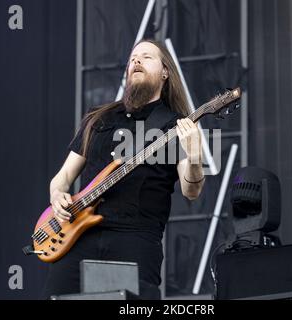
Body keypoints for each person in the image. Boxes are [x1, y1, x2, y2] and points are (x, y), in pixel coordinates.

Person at [42, 39, 205, 299]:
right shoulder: (99, 117)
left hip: (135, 239)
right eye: (133, 58)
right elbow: (61, 179)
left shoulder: (175, 126)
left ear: (165, 72)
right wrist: (57, 195)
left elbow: (191, 190)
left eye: (146, 57)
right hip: (80, 234)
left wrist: (195, 157)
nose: (136, 61)